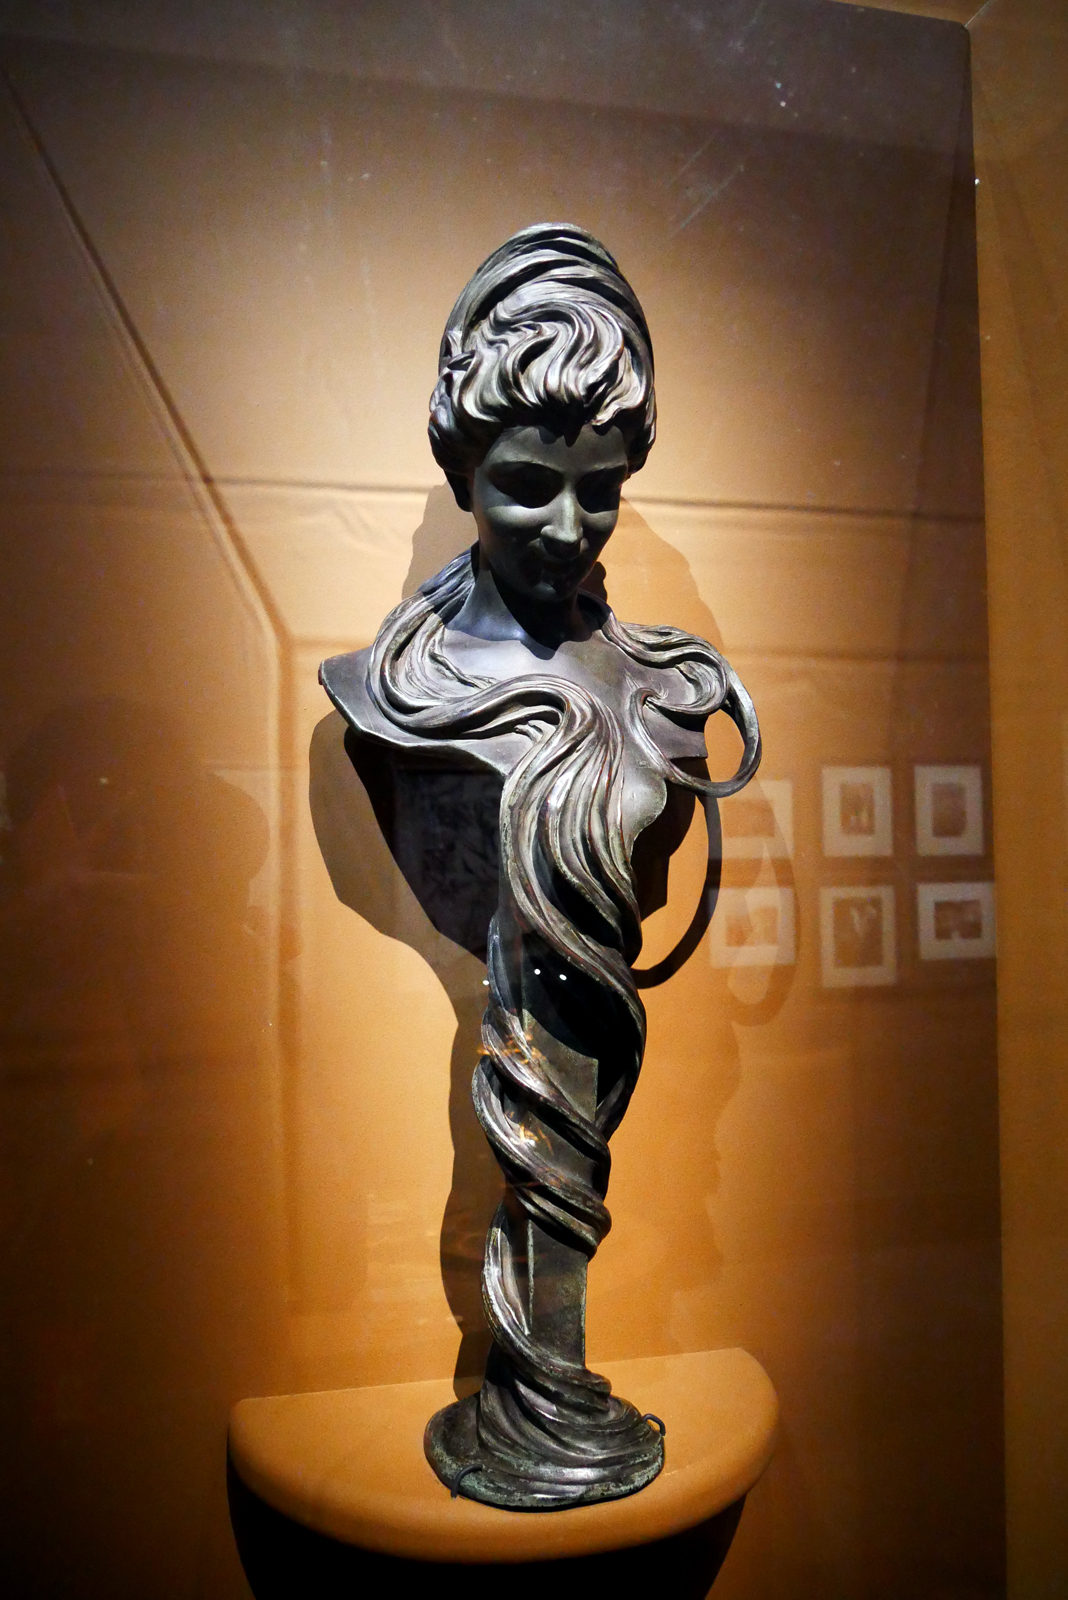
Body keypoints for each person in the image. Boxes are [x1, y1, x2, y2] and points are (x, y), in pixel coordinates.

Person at [320, 223, 760, 1509]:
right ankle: (533, 1391)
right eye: (525, 486)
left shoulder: (665, 683)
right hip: (517, 1077)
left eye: (601, 489)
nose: (569, 528)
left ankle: (550, 1390)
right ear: (461, 467)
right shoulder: (396, 695)